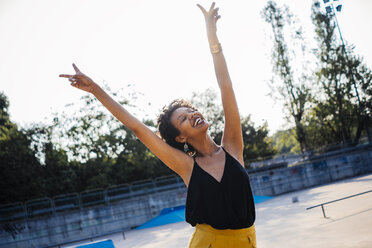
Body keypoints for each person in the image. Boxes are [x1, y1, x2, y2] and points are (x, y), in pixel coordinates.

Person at [60, 2, 256, 248]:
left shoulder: (232, 147)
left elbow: (225, 84)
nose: (193, 114)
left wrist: (212, 39)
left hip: (247, 241)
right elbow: (138, 129)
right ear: (181, 138)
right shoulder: (187, 166)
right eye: (184, 118)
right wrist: (96, 90)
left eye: (192, 110)